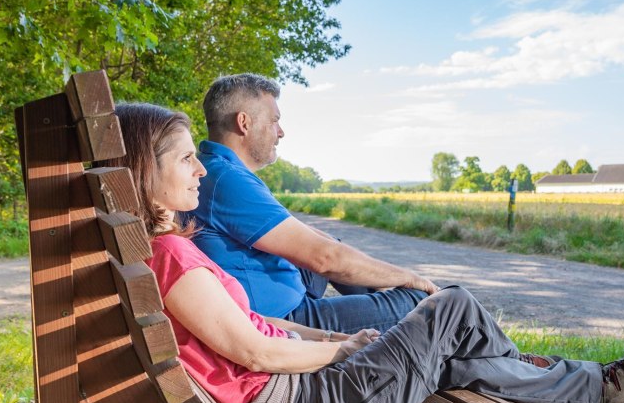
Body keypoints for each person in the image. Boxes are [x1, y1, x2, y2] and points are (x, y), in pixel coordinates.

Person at [100, 102, 624, 403]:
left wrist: (328, 339)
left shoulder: (156, 256)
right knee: (451, 308)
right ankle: (584, 386)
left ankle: (595, 391)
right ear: (144, 172)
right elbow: (255, 352)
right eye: (186, 159)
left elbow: (253, 328)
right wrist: (340, 350)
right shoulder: (169, 257)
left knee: (451, 354)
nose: (200, 169)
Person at [187, 73, 438, 335]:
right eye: (274, 121)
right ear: (244, 123)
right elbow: (325, 258)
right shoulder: (227, 179)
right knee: (421, 301)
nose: (280, 132)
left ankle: (381, 307)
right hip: (281, 319)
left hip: (279, 294)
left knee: (332, 245)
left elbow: (316, 241)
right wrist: (410, 278)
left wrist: (382, 277)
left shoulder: (215, 167)